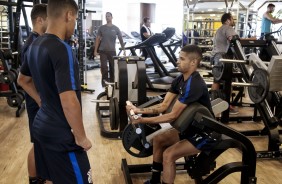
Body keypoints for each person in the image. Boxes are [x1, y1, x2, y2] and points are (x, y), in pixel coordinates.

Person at [17, 0, 92, 183]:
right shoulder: (62, 49)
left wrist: (42, 100)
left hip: (42, 127)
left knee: (51, 179)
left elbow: (22, 80)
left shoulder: (35, 45)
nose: (74, 26)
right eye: (74, 19)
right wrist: (81, 137)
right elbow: (69, 100)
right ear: (69, 15)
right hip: (62, 134)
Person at [126, 45, 221, 184]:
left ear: (193, 62)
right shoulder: (180, 80)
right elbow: (164, 106)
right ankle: (155, 181)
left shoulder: (194, 85)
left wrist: (142, 120)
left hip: (206, 134)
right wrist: (138, 110)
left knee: (169, 155)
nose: (177, 61)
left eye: (182, 59)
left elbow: (172, 116)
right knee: (159, 140)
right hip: (191, 128)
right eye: (178, 58)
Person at [17, 4, 48, 184]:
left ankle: (38, 178)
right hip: (36, 104)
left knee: (40, 145)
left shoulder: (38, 41)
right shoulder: (32, 44)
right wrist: (40, 100)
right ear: (40, 20)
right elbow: (23, 80)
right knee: (38, 146)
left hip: (39, 104)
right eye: (49, 19)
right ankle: (34, 180)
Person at [210, 12, 238, 115]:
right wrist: (251, 40)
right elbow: (234, 40)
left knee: (216, 81)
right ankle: (226, 106)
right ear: (228, 20)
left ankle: (213, 104)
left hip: (216, 57)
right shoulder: (227, 28)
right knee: (227, 82)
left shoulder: (219, 29)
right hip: (223, 59)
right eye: (232, 18)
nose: (233, 21)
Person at [94, 12, 125, 87]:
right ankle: (104, 83)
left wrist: (123, 49)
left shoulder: (116, 28)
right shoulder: (102, 28)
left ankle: (112, 83)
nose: (107, 17)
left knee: (113, 68)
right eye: (106, 16)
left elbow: (121, 39)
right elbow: (97, 39)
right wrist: (95, 50)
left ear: (112, 17)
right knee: (104, 67)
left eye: (109, 16)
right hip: (103, 51)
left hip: (112, 51)